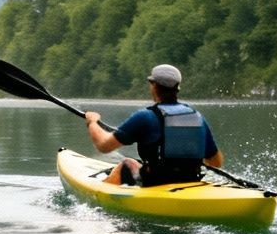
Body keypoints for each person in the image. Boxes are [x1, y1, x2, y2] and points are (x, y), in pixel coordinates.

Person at [82, 64, 224, 186]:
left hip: (156, 182)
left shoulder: (144, 117)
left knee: (126, 164)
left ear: (154, 86)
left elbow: (104, 145)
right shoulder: (196, 116)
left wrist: (92, 122)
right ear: (177, 88)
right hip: (191, 180)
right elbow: (216, 162)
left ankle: (101, 193)